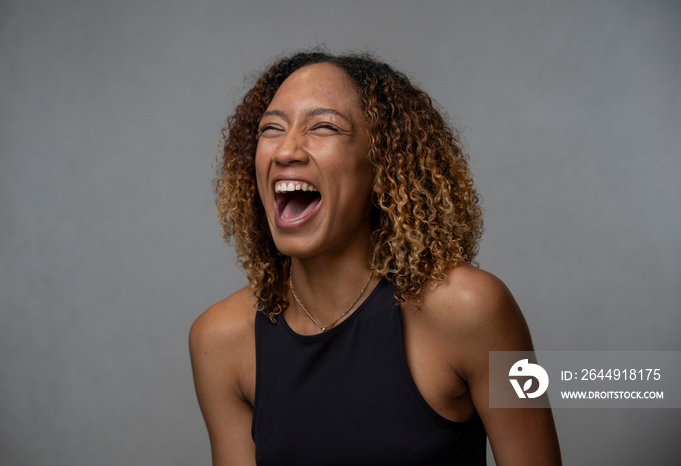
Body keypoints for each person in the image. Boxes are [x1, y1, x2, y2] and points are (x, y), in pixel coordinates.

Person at [190, 50, 561, 465]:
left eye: (324, 127)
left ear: (383, 167)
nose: (285, 151)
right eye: (271, 129)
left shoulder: (471, 310)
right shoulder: (221, 339)